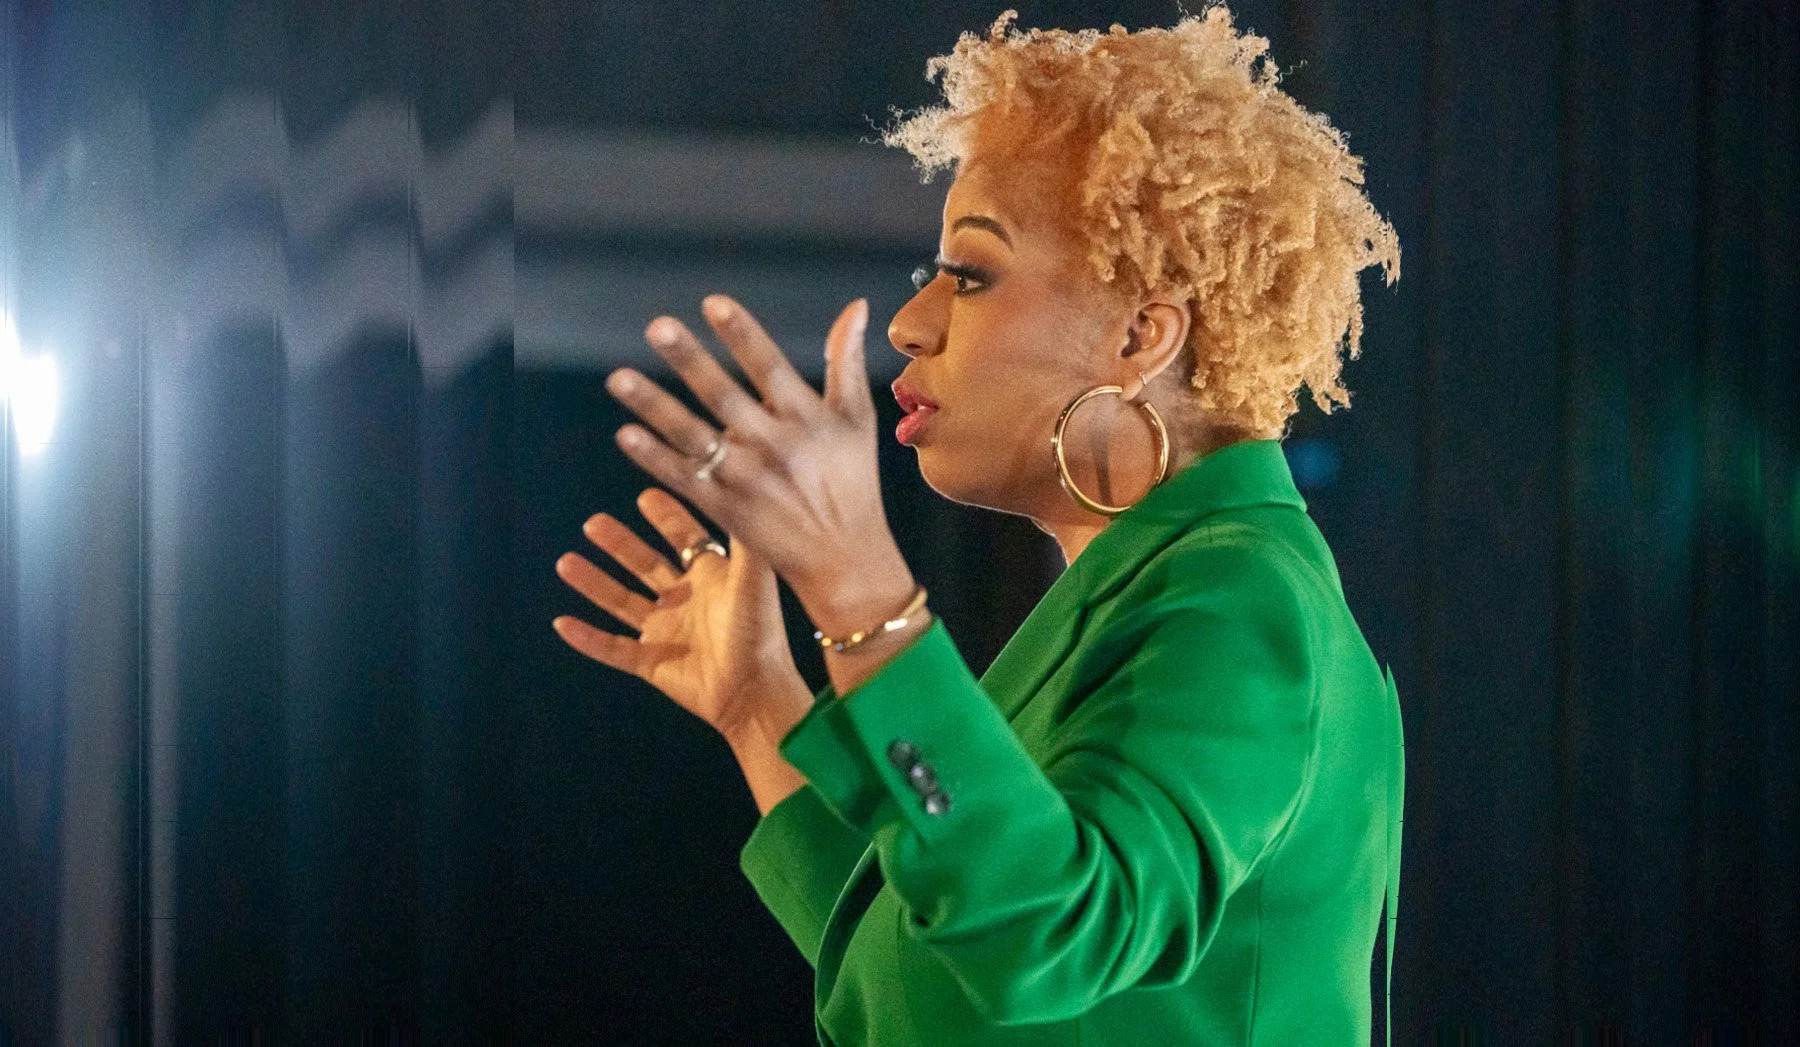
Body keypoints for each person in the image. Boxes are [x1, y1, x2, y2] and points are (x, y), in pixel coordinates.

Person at [551, 7, 1404, 1045]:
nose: (912, 323)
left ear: (1141, 333)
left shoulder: (1239, 595)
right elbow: (937, 959)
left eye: (971, 273)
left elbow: (1048, 937)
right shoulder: (1148, 587)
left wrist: (861, 591)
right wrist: (759, 705)